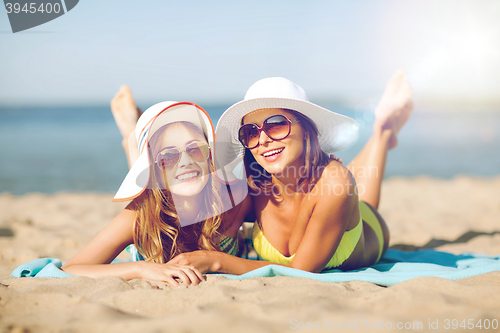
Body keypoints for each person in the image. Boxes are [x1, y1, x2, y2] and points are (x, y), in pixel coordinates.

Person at [167, 69, 413, 274]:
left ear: (306, 129)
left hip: (371, 231)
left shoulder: (335, 181)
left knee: (357, 194)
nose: (262, 139)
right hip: (328, 190)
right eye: (251, 132)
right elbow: (182, 209)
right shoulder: (250, 184)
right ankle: (383, 131)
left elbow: (301, 272)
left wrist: (216, 261)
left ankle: (382, 130)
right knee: (341, 178)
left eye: (275, 125)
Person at [61, 101, 250, 287]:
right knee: (145, 187)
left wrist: (216, 260)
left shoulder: (233, 196)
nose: (186, 161)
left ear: (210, 154)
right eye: (168, 157)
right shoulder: (139, 215)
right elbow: (71, 269)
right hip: (155, 198)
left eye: (195, 149)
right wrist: (140, 269)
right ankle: (131, 137)